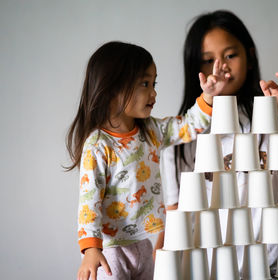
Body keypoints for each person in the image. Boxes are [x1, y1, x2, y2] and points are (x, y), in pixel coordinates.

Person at [161, 10, 278, 272]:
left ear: (249, 56)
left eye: (230, 55)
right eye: (207, 59)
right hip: (207, 271)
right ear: (194, 68)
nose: (220, 66)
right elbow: (175, 219)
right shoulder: (181, 135)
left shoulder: (275, 116)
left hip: (275, 269)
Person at [66, 41, 231, 280]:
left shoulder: (151, 131)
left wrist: (208, 97)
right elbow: (89, 201)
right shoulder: (98, 145)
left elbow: (187, 126)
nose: (153, 92)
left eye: (154, 83)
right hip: (110, 251)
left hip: (143, 245)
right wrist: (91, 248)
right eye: (145, 83)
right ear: (113, 88)